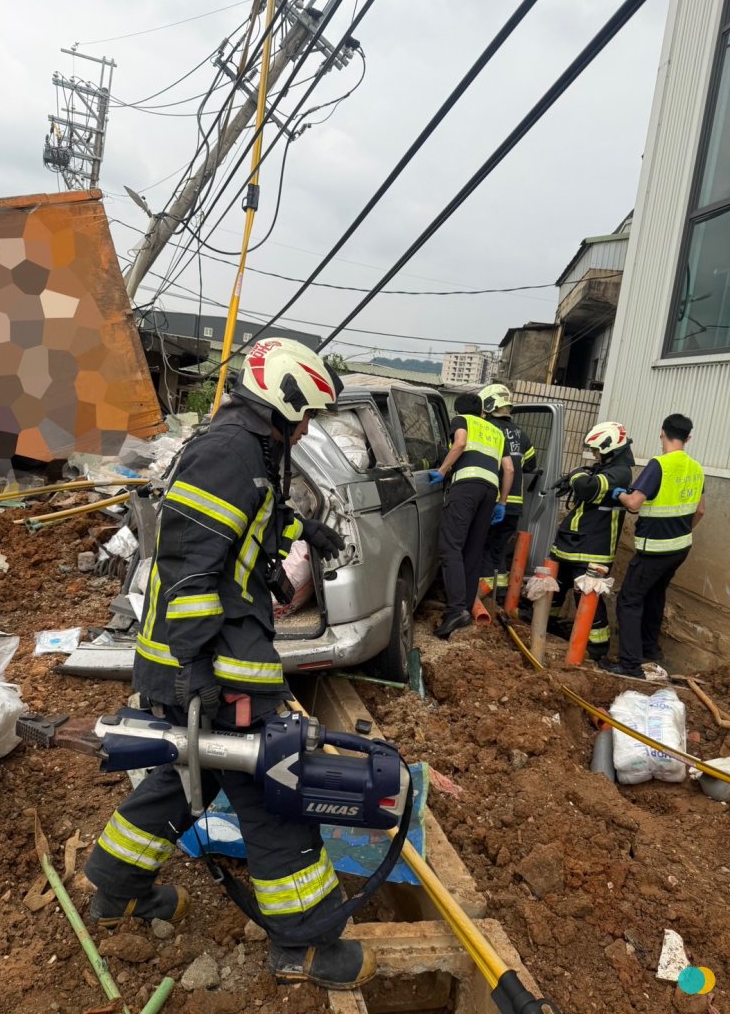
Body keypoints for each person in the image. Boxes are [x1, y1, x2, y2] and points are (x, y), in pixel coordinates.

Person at [83, 339, 376, 991]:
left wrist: (302, 534)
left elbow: (245, 538)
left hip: (207, 661)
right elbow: (190, 569)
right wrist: (195, 680)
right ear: (285, 399)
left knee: (193, 774)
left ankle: (114, 888)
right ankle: (305, 946)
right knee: (273, 788)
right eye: (307, 414)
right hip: (213, 667)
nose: (308, 428)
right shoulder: (231, 451)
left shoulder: (252, 448)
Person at [600, 413, 705, 678]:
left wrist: (621, 495)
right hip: (680, 548)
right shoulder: (696, 467)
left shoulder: (659, 465)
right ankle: (650, 651)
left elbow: (635, 503)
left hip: (654, 548)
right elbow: (701, 511)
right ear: (688, 437)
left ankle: (630, 664)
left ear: (662, 432)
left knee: (629, 599)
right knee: (655, 596)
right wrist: (680, 531)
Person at [430, 393, 514, 639]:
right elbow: (508, 469)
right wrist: (502, 502)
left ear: (459, 409)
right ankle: (465, 608)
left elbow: (460, 444)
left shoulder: (462, 420)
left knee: (450, 547)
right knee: (473, 551)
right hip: (490, 491)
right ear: (482, 412)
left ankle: (455, 610)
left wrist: (442, 471)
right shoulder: (497, 433)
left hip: (466, 486)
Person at [548, 421, 634, 660]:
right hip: (575, 543)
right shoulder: (605, 468)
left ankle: (597, 647)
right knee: (558, 585)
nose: (596, 455)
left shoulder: (620, 473)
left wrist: (576, 475)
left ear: (610, 450)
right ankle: (548, 624)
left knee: (585, 595)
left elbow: (588, 489)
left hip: (592, 547)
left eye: (598, 451)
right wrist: (582, 474)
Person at [477, 384, 536, 600]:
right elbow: (530, 464)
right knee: (499, 549)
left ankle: (481, 595)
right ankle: (500, 597)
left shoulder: (487, 429)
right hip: (513, 506)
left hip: (491, 500)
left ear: (489, 405)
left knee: (482, 546)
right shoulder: (522, 434)